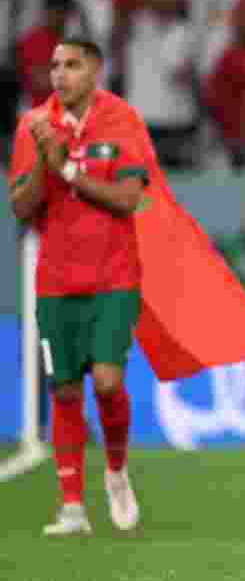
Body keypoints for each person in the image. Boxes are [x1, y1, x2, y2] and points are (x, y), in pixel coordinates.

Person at [7, 38, 151, 536]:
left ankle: (115, 471)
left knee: (108, 383)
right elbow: (22, 210)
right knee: (64, 390)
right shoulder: (33, 126)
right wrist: (47, 166)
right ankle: (72, 508)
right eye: (54, 67)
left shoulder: (123, 120)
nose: (60, 75)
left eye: (72, 65)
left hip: (114, 277)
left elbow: (129, 199)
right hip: (55, 282)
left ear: (96, 70)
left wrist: (69, 168)